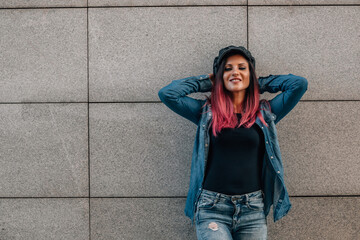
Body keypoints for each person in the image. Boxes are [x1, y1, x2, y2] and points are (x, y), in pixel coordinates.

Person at [158, 45, 308, 240]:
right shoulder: (206, 113)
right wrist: (209, 81)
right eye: (228, 69)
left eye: (242, 68)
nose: (235, 72)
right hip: (212, 207)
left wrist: (256, 83)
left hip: (252, 209)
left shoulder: (265, 114)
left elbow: (299, 84)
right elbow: (168, 94)